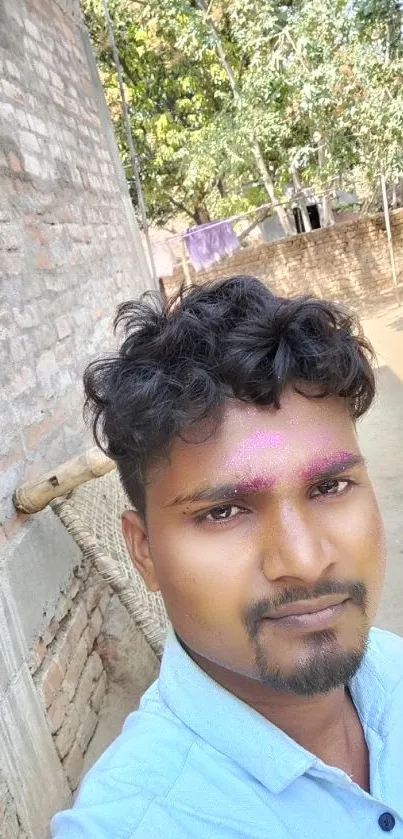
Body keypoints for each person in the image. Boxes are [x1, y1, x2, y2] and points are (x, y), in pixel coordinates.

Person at [52, 275, 403, 838]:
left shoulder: (393, 667)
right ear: (144, 552)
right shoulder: (133, 823)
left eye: (330, 487)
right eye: (223, 512)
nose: (307, 562)